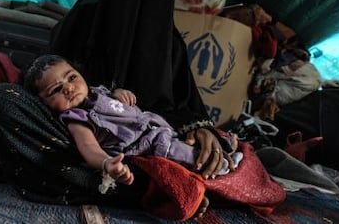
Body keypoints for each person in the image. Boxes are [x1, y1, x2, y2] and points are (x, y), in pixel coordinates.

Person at [50, 0, 234, 180]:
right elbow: (52, 85)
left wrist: (199, 128)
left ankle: (149, 179)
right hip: (85, 128)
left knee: (222, 150)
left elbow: (183, 102)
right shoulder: (82, 23)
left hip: (152, 134)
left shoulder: (170, 41)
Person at [23, 54, 241, 190]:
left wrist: (119, 93)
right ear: (44, 104)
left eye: (71, 78)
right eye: (56, 90)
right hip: (145, 147)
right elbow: (88, 147)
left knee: (187, 138)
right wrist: (107, 163)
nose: (69, 88)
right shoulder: (76, 119)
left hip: (155, 127)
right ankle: (215, 168)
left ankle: (228, 149)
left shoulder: (98, 92)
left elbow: (116, 104)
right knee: (178, 152)